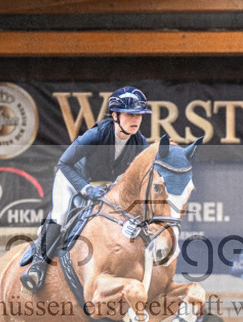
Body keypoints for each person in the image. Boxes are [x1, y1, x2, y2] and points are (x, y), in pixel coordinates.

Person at [20, 86, 152, 294]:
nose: (135, 119)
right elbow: (64, 163)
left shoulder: (140, 142)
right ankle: (37, 267)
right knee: (61, 214)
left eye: (139, 115)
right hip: (73, 178)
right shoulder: (96, 134)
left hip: (103, 187)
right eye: (129, 114)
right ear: (115, 115)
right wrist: (86, 189)